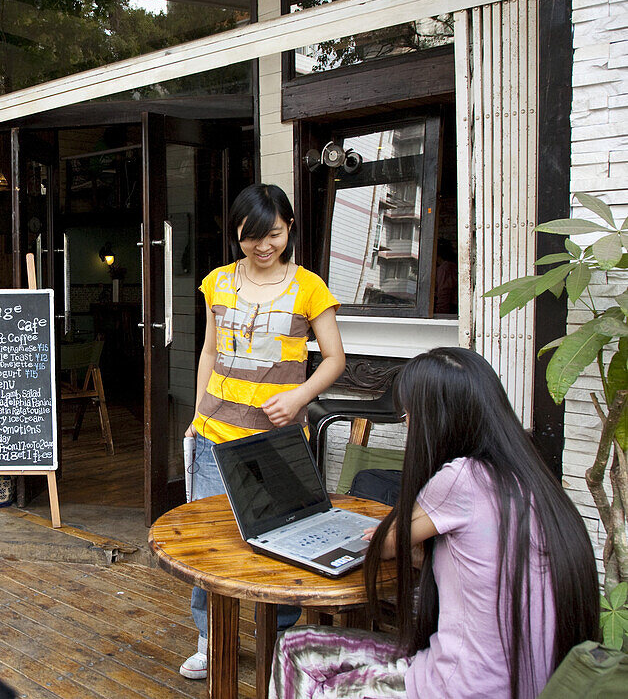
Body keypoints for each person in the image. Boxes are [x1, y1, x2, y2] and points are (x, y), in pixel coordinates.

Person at [271, 347, 599, 699]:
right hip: (529, 681)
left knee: (296, 648)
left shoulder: (461, 478)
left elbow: (385, 545)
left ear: (436, 419)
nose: (407, 422)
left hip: (465, 686)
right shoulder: (528, 478)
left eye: (409, 413)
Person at [180, 183, 346, 680]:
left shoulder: (310, 287)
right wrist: (195, 414)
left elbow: (335, 359)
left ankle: (282, 645)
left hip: (277, 442)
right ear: (237, 233)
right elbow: (209, 354)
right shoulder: (217, 283)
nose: (263, 245)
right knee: (211, 546)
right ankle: (211, 639)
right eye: (252, 236)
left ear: (289, 228)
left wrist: (298, 398)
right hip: (214, 436)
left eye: (273, 234)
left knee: (284, 543)